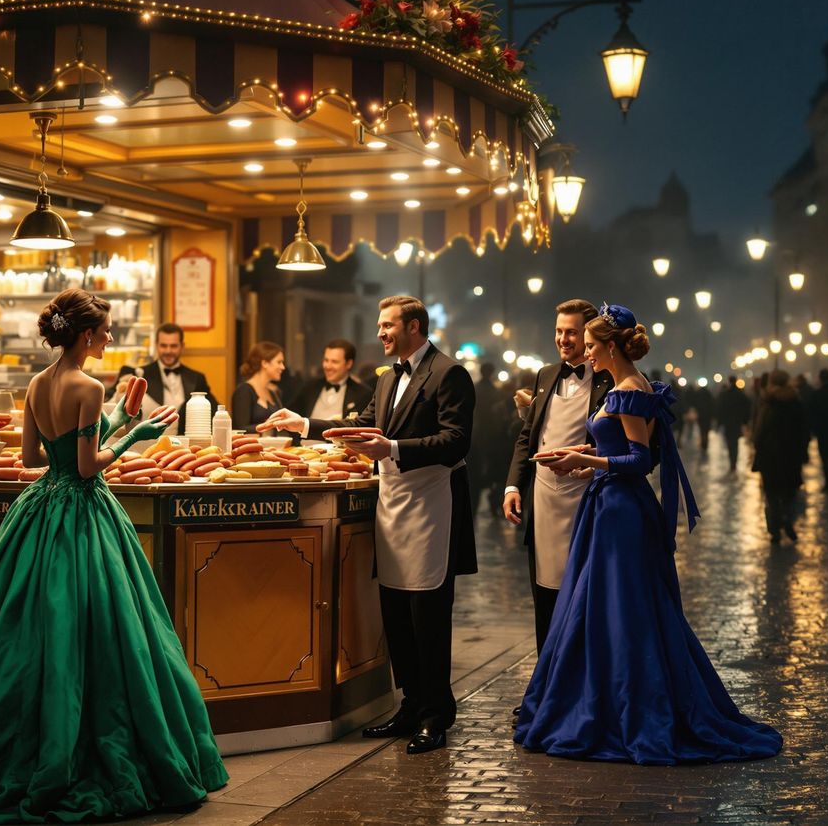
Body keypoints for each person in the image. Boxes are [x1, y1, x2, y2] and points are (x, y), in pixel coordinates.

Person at [0, 289, 227, 820]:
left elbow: (32, 458)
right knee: (105, 629)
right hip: (82, 514)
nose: (111, 337)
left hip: (37, 510)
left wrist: (112, 421)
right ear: (85, 335)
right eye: (105, 330)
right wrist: (132, 432)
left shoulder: (36, 382)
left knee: (15, 627)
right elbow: (86, 468)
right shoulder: (89, 387)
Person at [515, 303, 780, 764]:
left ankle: (623, 705)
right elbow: (614, 443)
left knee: (623, 611)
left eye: (594, 346)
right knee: (607, 608)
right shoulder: (625, 388)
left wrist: (587, 461)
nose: (589, 354)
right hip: (610, 506)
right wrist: (582, 453)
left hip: (622, 511)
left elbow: (639, 460)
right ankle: (603, 695)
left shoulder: (628, 392)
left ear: (612, 347)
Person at [260, 295, 475, 754]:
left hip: (432, 506)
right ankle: (412, 704)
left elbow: (455, 442)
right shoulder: (387, 377)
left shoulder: (449, 373)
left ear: (414, 326)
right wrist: (303, 424)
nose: (380, 333)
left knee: (428, 618)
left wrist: (392, 450)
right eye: (380, 325)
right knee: (395, 614)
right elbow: (363, 424)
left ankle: (437, 714)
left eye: (387, 325)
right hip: (395, 505)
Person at [502, 299, 612, 656]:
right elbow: (527, 435)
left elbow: (632, 446)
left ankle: (581, 686)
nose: (563, 339)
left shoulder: (611, 379)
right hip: (544, 499)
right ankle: (545, 686)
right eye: (559, 332)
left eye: (572, 333)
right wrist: (513, 485)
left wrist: (590, 456)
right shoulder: (546, 374)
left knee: (585, 595)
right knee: (544, 595)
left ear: (590, 334)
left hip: (588, 499)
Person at [107, 323, 217, 435]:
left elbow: (214, 411)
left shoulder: (197, 378)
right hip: (148, 441)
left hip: (184, 443)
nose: (168, 351)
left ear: (182, 346)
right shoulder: (139, 373)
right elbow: (108, 399)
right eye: (163, 346)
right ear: (156, 345)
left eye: (173, 346)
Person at [752, 370, 808, 545]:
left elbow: (759, 431)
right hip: (792, 455)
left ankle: (775, 529)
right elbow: (804, 430)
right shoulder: (796, 402)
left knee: (772, 494)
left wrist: (758, 447)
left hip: (771, 456)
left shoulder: (769, 403)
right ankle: (788, 520)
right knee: (790, 492)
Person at [290, 339, 373, 422]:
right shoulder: (309, 388)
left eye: (334, 362)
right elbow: (292, 418)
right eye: (326, 360)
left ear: (349, 364)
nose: (328, 366)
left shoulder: (363, 394)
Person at [470, 362, 508, 514]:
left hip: (474, 437)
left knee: (474, 476)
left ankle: (473, 507)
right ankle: (492, 500)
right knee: (491, 473)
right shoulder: (495, 392)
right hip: (491, 437)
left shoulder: (474, 388)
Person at [231, 341, 285, 432]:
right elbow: (240, 429)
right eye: (279, 362)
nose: (283, 367)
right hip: (251, 445)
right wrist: (267, 426)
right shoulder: (244, 391)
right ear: (264, 363)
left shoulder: (273, 392)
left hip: (274, 445)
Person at [716, 375, 751, 472]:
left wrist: (719, 422)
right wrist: (745, 421)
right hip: (737, 422)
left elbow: (720, 408)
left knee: (729, 442)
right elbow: (747, 407)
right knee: (735, 442)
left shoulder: (725, 394)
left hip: (728, 422)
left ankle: (732, 461)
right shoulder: (740, 394)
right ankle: (734, 462)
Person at [688, 383, 716, 455]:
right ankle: (705, 442)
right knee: (706, 429)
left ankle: (703, 441)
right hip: (707, 415)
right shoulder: (708, 393)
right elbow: (712, 404)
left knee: (702, 429)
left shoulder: (698, 394)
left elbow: (694, 403)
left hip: (700, 414)